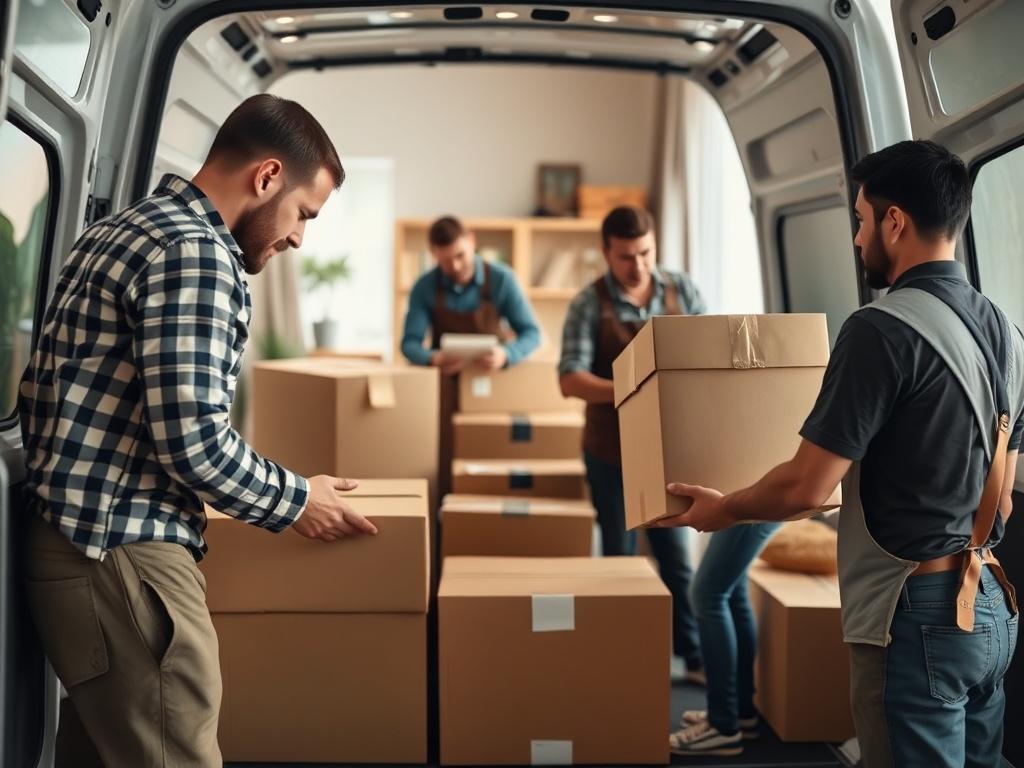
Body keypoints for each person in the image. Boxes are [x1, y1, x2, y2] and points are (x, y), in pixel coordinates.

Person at [19, 94, 379, 767]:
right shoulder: (197, 254)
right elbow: (195, 444)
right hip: (121, 552)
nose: (300, 237)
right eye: (304, 213)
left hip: (74, 543)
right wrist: (300, 499)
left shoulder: (119, 229)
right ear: (268, 177)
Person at [658, 140, 1023, 767]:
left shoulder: (879, 328)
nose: (857, 239)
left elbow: (804, 487)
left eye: (860, 219)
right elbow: (1005, 490)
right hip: (992, 602)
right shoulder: (1007, 332)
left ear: (895, 221)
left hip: (914, 617)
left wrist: (725, 509)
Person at [559, 205, 705, 682]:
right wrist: (635, 388)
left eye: (645, 252)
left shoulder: (682, 289)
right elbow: (571, 380)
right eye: (625, 257)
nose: (638, 265)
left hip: (672, 448)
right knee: (619, 557)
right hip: (610, 450)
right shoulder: (587, 302)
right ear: (606, 253)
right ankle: (617, 658)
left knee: (676, 559)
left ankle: (695, 658)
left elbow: (709, 353)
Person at [401, 216, 541, 496]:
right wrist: (433, 358)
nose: (454, 266)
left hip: (493, 389)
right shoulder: (425, 287)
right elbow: (409, 343)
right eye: (445, 261)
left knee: (492, 459)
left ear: (472, 241)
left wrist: (506, 354)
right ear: (433, 255)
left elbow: (532, 333)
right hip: (446, 391)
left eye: (460, 256)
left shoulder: (502, 279)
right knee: (445, 462)